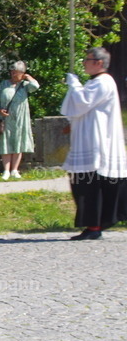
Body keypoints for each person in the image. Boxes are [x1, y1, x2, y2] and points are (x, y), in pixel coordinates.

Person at [60, 47, 127, 240]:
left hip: (96, 143)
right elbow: (77, 109)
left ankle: (95, 226)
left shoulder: (104, 82)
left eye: (87, 60)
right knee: (83, 186)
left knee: (90, 187)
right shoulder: (95, 82)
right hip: (86, 139)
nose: (83, 63)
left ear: (98, 62)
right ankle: (92, 225)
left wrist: (74, 84)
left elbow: (83, 102)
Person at [0, 61, 40, 180]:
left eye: (16, 72)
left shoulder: (25, 85)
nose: (13, 74)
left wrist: (28, 77)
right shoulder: (4, 84)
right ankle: (6, 171)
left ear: (22, 73)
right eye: (12, 72)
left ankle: (14, 170)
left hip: (20, 118)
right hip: (6, 119)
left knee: (19, 142)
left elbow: (36, 86)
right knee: (5, 143)